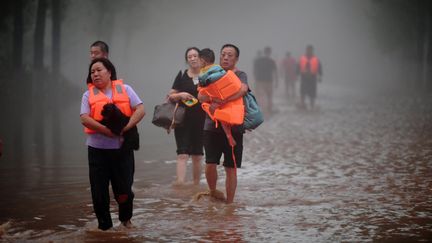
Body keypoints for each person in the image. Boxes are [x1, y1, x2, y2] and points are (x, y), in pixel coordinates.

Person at [80, 58, 145, 230]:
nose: (95, 74)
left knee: (124, 192)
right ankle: (105, 228)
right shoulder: (88, 95)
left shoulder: (126, 89)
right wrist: (106, 131)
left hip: (122, 152)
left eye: (99, 70)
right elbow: (84, 118)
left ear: (109, 72)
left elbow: (140, 109)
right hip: (97, 152)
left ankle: (126, 221)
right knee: (99, 194)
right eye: (92, 72)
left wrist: (127, 127)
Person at [198, 44, 249, 204]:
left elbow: (243, 90)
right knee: (210, 163)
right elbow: (200, 96)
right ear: (219, 57)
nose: (226, 57)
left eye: (230, 55)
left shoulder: (241, 74)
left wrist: (222, 100)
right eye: (223, 54)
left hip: (234, 126)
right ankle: (213, 191)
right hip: (211, 125)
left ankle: (230, 204)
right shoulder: (211, 73)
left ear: (236, 58)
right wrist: (212, 99)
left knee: (231, 167)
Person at [167, 47, 206, 186]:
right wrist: (180, 95)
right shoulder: (182, 75)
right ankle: (180, 185)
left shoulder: (206, 75)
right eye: (190, 57)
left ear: (201, 58)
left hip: (202, 120)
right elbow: (170, 96)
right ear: (187, 60)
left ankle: (196, 186)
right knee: (182, 154)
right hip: (183, 120)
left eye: (195, 56)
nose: (193, 58)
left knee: (197, 155)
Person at [253, 46, 278, 116]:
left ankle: (264, 109)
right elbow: (275, 72)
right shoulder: (271, 61)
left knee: (262, 95)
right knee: (268, 95)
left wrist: (255, 79)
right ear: (270, 52)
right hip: (268, 80)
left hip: (260, 80)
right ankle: (268, 109)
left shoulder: (258, 61)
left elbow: (255, 70)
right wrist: (276, 81)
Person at [297, 45, 322, 110]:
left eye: (310, 50)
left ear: (312, 51)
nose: (309, 51)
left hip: (313, 78)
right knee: (303, 92)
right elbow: (298, 66)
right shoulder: (302, 58)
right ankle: (302, 105)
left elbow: (319, 68)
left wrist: (320, 76)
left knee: (312, 94)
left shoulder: (316, 59)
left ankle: (312, 106)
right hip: (304, 77)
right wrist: (297, 74)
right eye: (308, 50)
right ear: (306, 50)